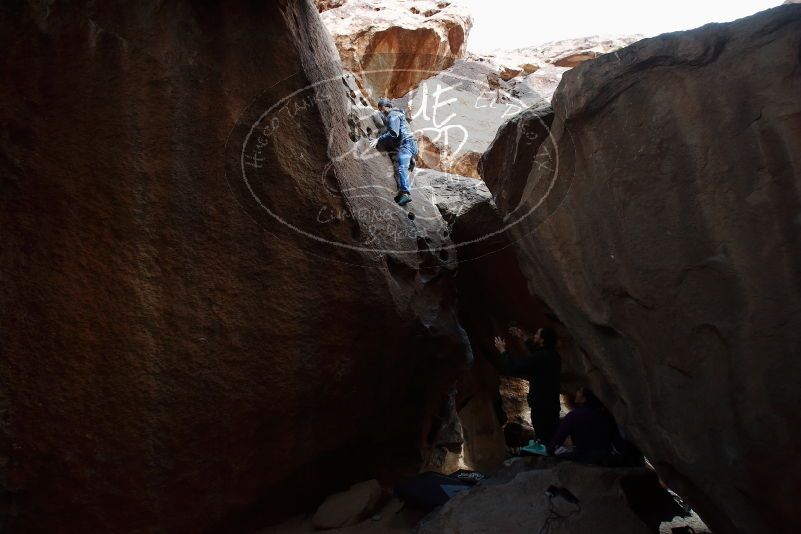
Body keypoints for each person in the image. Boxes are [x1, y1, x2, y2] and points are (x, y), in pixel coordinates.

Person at [493, 326, 561, 444]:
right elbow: (538, 354)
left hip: (540, 406)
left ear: (542, 340)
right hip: (553, 405)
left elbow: (513, 368)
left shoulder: (539, 357)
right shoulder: (555, 356)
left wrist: (502, 351)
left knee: (544, 439)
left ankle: (548, 460)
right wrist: (522, 337)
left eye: (537, 335)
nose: (534, 336)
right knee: (552, 437)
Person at [547, 387, 617, 464]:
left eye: (580, 391)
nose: (576, 392)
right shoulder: (605, 415)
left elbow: (557, 440)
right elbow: (616, 439)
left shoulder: (573, 416)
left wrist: (549, 451)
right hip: (605, 457)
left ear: (584, 399)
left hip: (584, 457)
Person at [369, 97, 418, 206]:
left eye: (382, 109)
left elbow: (393, 133)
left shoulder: (392, 115)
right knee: (401, 160)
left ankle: (405, 193)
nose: (382, 112)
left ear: (387, 107)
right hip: (413, 145)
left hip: (406, 143)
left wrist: (378, 139)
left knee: (401, 168)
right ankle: (411, 160)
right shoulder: (399, 114)